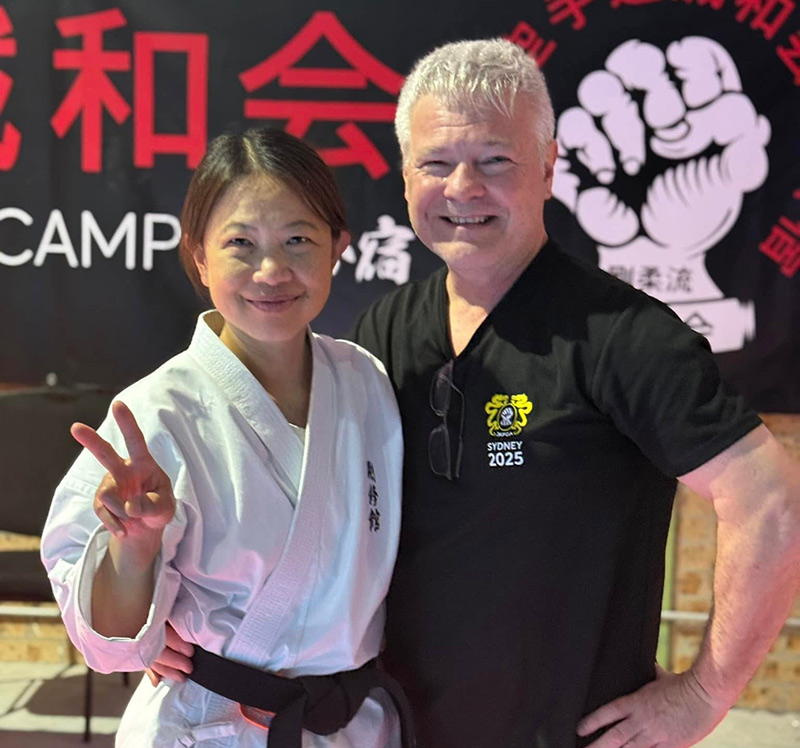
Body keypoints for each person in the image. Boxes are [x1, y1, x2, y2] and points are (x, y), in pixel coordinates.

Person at [147, 40, 800, 748]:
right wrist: (169, 628)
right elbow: (298, 520)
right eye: (436, 163)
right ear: (403, 178)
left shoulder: (623, 336)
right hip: (394, 729)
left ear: (548, 168)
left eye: (495, 161)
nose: (463, 189)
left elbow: (770, 500)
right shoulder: (385, 333)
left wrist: (704, 694)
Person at [40, 128, 414, 748]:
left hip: (352, 724)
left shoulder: (365, 381)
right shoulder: (156, 411)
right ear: (200, 256)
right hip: (215, 726)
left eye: (299, 239)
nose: (272, 270)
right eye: (241, 242)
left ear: (338, 249)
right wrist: (134, 548)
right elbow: (105, 642)